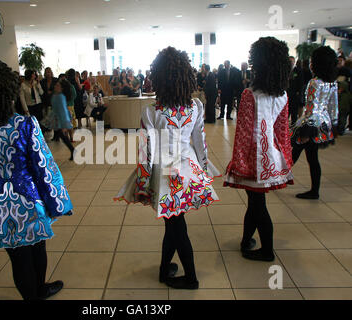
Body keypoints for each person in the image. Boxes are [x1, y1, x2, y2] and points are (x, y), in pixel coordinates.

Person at [0, 60, 73, 300]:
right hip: (29, 199)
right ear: (7, 93)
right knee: (38, 247)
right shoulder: (24, 124)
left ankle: (33, 294)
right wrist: (57, 201)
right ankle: (39, 290)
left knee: (17, 257)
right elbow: (44, 166)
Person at [115, 47, 219, 289]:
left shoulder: (151, 111)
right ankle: (164, 270)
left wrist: (142, 183)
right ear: (187, 77)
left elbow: (146, 152)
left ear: (158, 77)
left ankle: (191, 278)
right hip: (188, 169)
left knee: (176, 225)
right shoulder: (195, 106)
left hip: (164, 173)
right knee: (173, 222)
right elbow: (200, 144)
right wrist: (204, 170)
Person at [224, 37, 294, 262]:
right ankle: (246, 241)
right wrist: (285, 159)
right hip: (271, 155)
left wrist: (238, 163)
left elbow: (243, 134)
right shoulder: (282, 94)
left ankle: (267, 251)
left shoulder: (249, 94)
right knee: (255, 202)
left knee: (257, 204)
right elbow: (283, 130)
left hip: (254, 159)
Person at [291, 46, 339, 200]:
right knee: (309, 156)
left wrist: (307, 130)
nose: (310, 63)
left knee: (298, 150)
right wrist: (334, 124)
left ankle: (278, 177)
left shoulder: (315, 82)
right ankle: (313, 189)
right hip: (323, 124)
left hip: (311, 124)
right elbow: (334, 108)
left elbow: (311, 109)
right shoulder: (332, 82)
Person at [50, 79, 75, 160]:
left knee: (63, 136)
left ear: (62, 88)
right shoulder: (56, 95)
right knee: (63, 137)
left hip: (60, 120)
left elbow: (63, 111)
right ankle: (72, 150)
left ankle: (73, 150)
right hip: (56, 119)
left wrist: (64, 125)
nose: (55, 86)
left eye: (57, 85)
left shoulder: (60, 97)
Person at [287, 56, 305, 125]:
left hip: (295, 95)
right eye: (289, 62)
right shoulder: (285, 71)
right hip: (287, 94)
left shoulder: (298, 71)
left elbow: (301, 83)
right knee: (287, 112)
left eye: (291, 62)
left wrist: (299, 93)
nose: (290, 63)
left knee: (294, 113)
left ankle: (294, 127)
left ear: (294, 62)